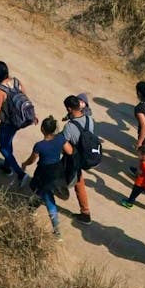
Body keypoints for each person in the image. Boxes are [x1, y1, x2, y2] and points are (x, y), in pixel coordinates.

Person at [22, 116, 73, 240]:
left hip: (44, 174)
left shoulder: (40, 146)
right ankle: (30, 209)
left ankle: (57, 232)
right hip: (57, 171)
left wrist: (24, 164)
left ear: (42, 129)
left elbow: (32, 160)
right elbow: (70, 151)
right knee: (40, 192)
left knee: (48, 199)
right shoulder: (60, 139)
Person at [61, 95, 94, 225]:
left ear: (69, 108)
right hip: (84, 156)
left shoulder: (69, 127)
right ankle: (85, 213)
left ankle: (37, 200)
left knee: (52, 175)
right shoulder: (89, 120)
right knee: (79, 181)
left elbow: (64, 145)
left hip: (72, 158)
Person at [120, 145, 145, 211]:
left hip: (141, 183)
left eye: (139, 154)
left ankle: (129, 203)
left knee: (134, 193)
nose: (138, 155)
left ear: (144, 155)